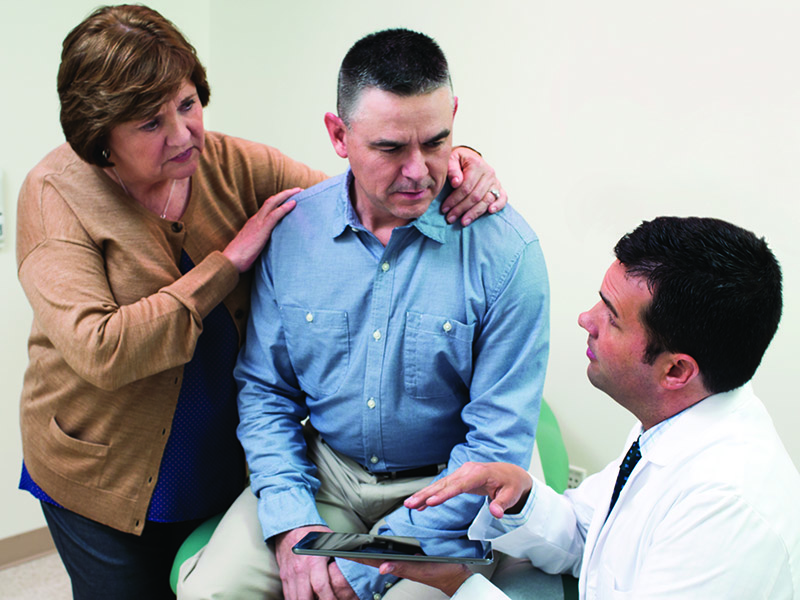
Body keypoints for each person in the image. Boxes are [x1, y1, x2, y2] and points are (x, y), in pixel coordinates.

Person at [15, 5, 508, 599]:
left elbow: (358, 187)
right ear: (101, 138)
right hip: (103, 466)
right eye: (150, 124)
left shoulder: (229, 164)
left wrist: (454, 162)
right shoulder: (55, 195)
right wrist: (227, 264)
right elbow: (103, 351)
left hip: (216, 452)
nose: (183, 134)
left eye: (188, 104)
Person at [177, 28, 550, 600]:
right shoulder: (295, 232)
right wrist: (292, 523)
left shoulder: (506, 253)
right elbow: (266, 393)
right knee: (211, 591)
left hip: (450, 488)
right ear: (338, 135)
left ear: (454, 117)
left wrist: (362, 566)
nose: (418, 170)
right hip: (327, 474)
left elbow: (496, 446)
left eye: (436, 141)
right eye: (391, 148)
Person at [362, 216, 800, 599]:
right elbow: (589, 534)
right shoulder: (673, 425)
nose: (586, 319)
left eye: (611, 316)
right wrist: (519, 495)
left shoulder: (725, 511)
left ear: (675, 371)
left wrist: (459, 587)